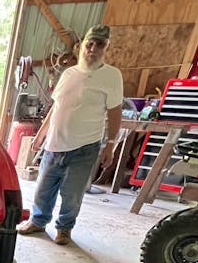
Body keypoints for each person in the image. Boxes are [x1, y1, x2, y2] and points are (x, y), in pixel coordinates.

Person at [17, 25, 123, 245]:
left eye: (99, 45)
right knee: (43, 188)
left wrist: (110, 144)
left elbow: (114, 113)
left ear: (106, 48)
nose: (93, 49)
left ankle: (64, 228)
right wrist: (41, 136)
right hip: (54, 144)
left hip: (84, 147)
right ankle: (38, 221)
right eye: (89, 44)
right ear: (82, 46)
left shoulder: (112, 76)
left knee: (72, 193)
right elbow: (56, 107)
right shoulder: (69, 73)